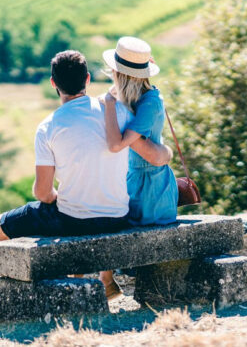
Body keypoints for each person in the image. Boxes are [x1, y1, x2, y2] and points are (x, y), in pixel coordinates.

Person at [0, 50, 172, 294]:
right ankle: (105, 283)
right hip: (118, 217)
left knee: (12, 220)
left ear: (53, 84)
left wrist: (60, 198)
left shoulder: (48, 126)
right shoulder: (120, 113)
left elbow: (42, 193)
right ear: (88, 79)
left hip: (74, 221)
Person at [98, 36, 178, 296]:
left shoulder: (149, 102)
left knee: (104, 222)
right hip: (135, 180)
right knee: (98, 216)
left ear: (119, 73)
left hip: (151, 188)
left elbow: (117, 144)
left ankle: (107, 285)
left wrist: (110, 106)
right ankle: (107, 284)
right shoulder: (132, 99)